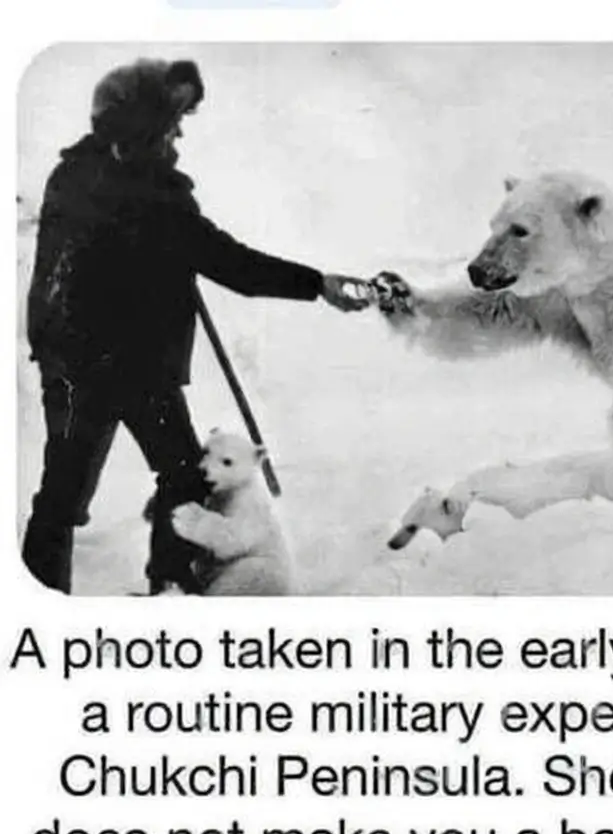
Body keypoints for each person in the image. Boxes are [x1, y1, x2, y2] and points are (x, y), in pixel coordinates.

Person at [22, 57, 371, 594]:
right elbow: (232, 264)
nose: (179, 134)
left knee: (68, 496)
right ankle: (165, 588)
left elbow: (56, 276)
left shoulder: (74, 174)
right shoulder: (154, 192)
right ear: (144, 125)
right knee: (178, 477)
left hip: (77, 367)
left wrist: (51, 349)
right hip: (128, 369)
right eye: (172, 123)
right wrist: (318, 284)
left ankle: (61, 599)